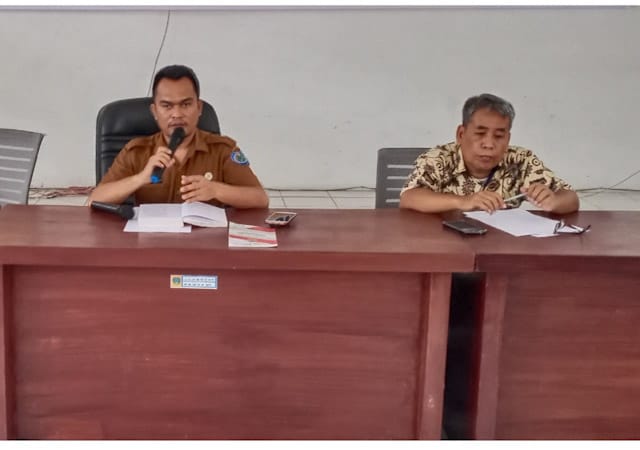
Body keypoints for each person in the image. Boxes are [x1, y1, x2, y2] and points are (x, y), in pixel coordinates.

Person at [89, 64, 269, 209]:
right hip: (151, 240)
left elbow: (260, 199)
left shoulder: (222, 150)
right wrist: (140, 178)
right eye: (167, 106)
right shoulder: (136, 151)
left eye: (185, 104)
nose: (176, 114)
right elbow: (94, 200)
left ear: (199, 108)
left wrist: (216, 190)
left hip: (205, 241)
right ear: (155, 111)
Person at [399, 93, 579, 214]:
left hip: (500, 248)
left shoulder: (520, 161)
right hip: (445, 245)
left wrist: (554, 201)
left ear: (508, 139)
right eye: (480, 133)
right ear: (461, 134)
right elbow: (409, 197)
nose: (489, 144)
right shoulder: (438, 159)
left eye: (499, 136)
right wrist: (463, 201)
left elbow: (571, 198)